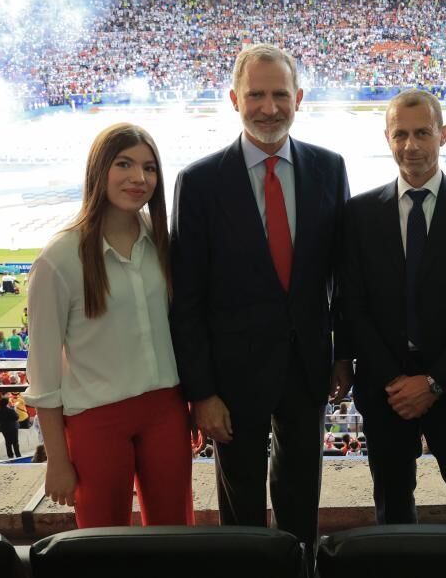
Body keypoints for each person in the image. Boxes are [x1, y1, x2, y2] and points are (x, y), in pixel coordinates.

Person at [169, 44, 349, 555]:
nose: (269, 107)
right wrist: (201, 391)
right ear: (233, 99)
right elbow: (188, 298)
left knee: (301, 495)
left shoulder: (329, 168)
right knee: (240, 503)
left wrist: (341, 353)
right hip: (231, 378)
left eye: (280, 95)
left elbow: (343, 277)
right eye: (256, 95)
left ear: (299, 98)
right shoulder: (200, 183)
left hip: (307, 366)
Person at [25, 123, 193, 528]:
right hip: (96, 419)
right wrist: (58, 461)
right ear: (99, 169)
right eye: (124, 164)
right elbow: (44, 374)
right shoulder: (59, 259)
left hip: (166, 411)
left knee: (175, 535)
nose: (139, 178)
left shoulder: (162, 242)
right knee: (102, 540)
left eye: (149, 168)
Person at [343, 89, 446, 524]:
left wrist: (433, 382)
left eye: (423, 133)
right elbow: (353, 307)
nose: (411, 146)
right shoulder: (358, 215)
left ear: (443, 135)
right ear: (387, 139)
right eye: (401, 134)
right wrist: (396, 380)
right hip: (386, 392)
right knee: (392, 511)